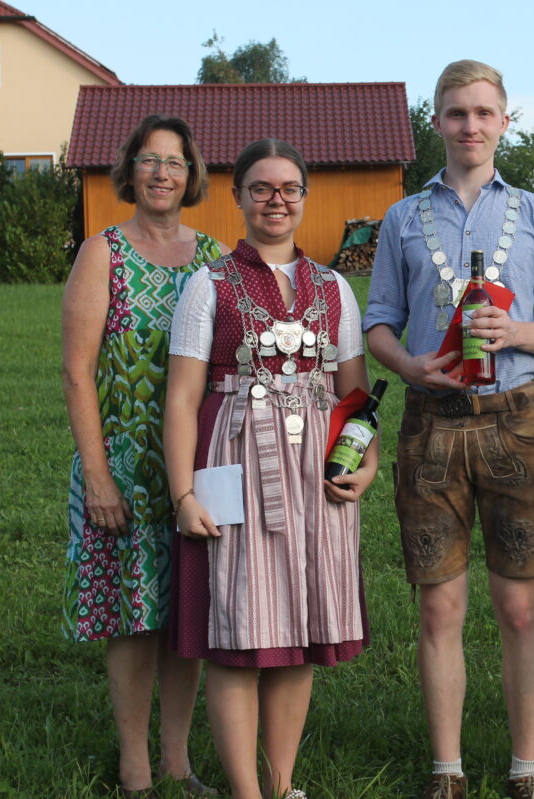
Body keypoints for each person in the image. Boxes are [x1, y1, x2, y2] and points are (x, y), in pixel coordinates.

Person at [364, 59, 534, 799]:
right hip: (430, 424)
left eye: (484, 112)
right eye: (457, 113)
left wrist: (516, 328)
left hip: (513, 424)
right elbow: (378, 325)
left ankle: (526, 767)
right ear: (437, 122)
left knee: (520, 604)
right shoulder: (400, 217)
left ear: (505, 121)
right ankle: (447, 768)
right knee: (439, 604)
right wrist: (413, 366)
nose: (471, 125)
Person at [164, 138, 376, 799]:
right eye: (261, 188)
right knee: (239, 629)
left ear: (304, 196)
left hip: (317, 470)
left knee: (302, 628)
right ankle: (246, 793)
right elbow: (181, 397)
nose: (276, 199)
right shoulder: (209, 285)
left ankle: (281, 785)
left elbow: (354, 393)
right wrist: (181, 493)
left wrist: (367, 463)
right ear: (239, 197)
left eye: (288, 188)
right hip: (234, 461)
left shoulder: (335, 287)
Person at [61, 114, 224, 798]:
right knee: (132, 617)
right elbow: (77, 372)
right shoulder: (103, 252)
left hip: (192, 464)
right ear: (130, 171)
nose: (163, 172)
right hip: (124, 463)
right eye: (151, 160)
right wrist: (97, 474)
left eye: (176, 162)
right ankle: (133, 764)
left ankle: (177, 761)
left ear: (192, 177)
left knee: (184, 613)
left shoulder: (214, 256)